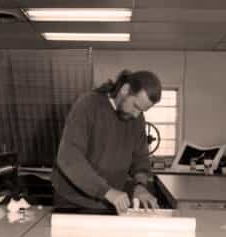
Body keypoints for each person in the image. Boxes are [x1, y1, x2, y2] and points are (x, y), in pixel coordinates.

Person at [52, 69, 162, 214]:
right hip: (72, 202)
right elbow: (69, 158)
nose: (137, 115)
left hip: (108, 203)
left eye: (142, 111)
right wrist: (106, 191)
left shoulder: (136, 119)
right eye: (135, 106)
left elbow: (140, 160)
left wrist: (140, 185)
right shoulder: (88, 105)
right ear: (125, 89)